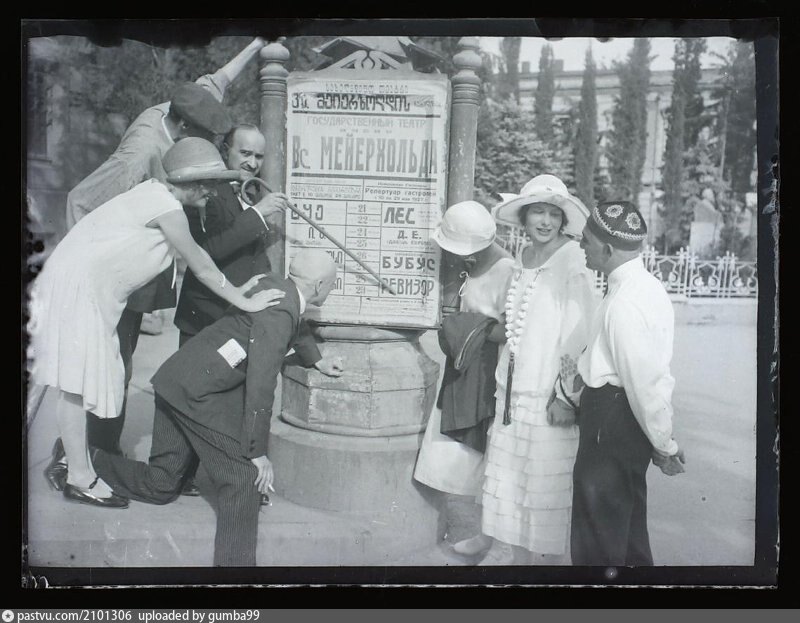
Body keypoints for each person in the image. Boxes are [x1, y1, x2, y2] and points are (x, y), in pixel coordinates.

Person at [32, 137, 286, 508]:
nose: (212, 193)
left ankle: (76, 464)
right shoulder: (166, 208)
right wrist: (244, 300)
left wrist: (236, 288)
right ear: (192, 183)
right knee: (77, 384)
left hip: (83, 286)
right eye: (209, 185)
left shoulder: (155, 194)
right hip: (80, 289)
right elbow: (201, 264)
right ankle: (79, 477)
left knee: (82, 383)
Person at [65, 38, 267, 456]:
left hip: (148, 258)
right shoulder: (140, 153)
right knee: (111, 364)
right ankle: (91, 455)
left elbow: (219, 79)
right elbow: (80, 201)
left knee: (120, 359)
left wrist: (257, 42)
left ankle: (92, 452)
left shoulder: (184, 107)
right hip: (115, 270)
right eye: (206, 141)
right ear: (185, 130)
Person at [84, 250, 340, 566]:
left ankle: (78, 459)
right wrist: (257, 452)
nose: (333, 288)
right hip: (196, 395)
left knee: (162, 483)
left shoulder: (274, 286)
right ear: (319, 285)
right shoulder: (281, 312)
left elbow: (294, 324)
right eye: (333, 283)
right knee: (245, 479)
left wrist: (316, 360)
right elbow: (261, 384)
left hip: (174, 382)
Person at [174, 123, 342, 497]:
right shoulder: (208, 191)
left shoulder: (245, 192)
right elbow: (208, 252)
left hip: (234, 317)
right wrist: (259, 215)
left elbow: (272, 286)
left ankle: (222, 480)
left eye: (258, 156)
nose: (251, 162)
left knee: (227, 403)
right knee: (191, 400)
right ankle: (179, 475)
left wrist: (312, 357)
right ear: (226, 151)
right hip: (205, 316)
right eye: (244, 153)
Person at [453, 174, 598, 565]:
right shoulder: (524, 255)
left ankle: (534, 556)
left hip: (546, 387)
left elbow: (580, 331)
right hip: (513, 383)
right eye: (538, 212)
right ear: (524, 216)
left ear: (563, 220)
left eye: (554, 214)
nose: (545, 221)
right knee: (506, 466)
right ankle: (496, 541)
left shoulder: (573, 259)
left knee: (541, 474)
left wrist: (566, 394)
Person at [571, 200, 685, 566]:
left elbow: (644, 383)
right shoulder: (647, 288)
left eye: (586, 240)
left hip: (611, 423)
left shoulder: (624, 302)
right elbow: (656, 376)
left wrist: (664, 444)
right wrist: (661, 437)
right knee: (627, 532)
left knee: (598, 540)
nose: (580, 246)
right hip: (624, 423)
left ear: (607, 250)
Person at [414, 200, 516, 498]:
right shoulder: (470, 265)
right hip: (462, 361)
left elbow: (511, 330)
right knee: (446, 448)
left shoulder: (507, 270)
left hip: (484, 368)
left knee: (473, 447)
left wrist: (467, 327)